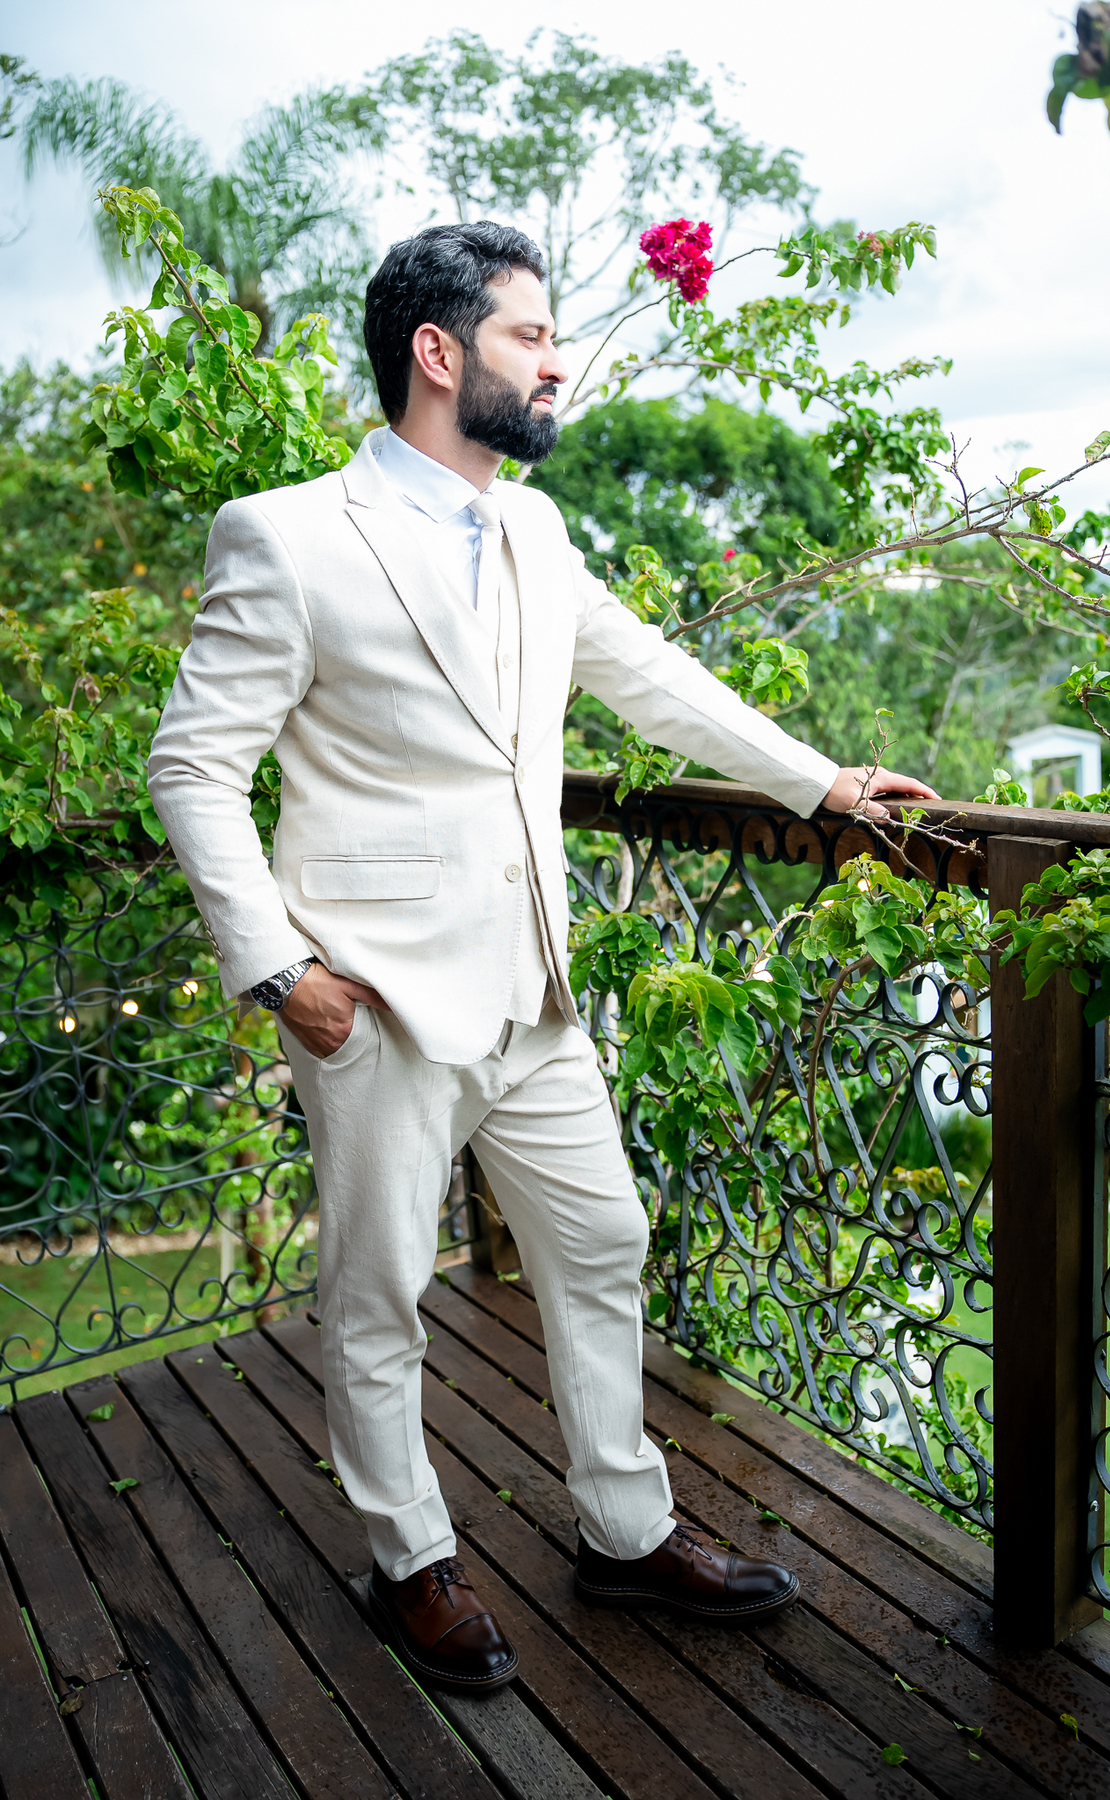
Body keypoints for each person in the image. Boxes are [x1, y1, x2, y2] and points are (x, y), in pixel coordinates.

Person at [149, 221, 938, 1695]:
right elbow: (192, 766)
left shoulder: (537, 530)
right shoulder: (289, 535)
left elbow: (649, 677)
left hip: (534, 989)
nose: (558, 360)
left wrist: (822, 784)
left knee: (602, 1245)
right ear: (438, 353)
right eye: (530, 334)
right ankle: (411, 1563)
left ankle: (623, 1534)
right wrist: (277, 972)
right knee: (380, 1295)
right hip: (373, 998)